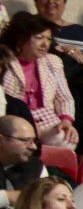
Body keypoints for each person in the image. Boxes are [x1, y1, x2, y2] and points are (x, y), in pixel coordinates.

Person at [2, 15, 78, 148]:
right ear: (21, 39)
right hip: (17, 118)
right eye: (39, 38)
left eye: (48, 39)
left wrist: (66, 120)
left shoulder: (53, 61)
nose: (45, 44)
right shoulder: (6, 60)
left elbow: (64, 96)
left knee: (65, 139)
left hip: (47, 119)